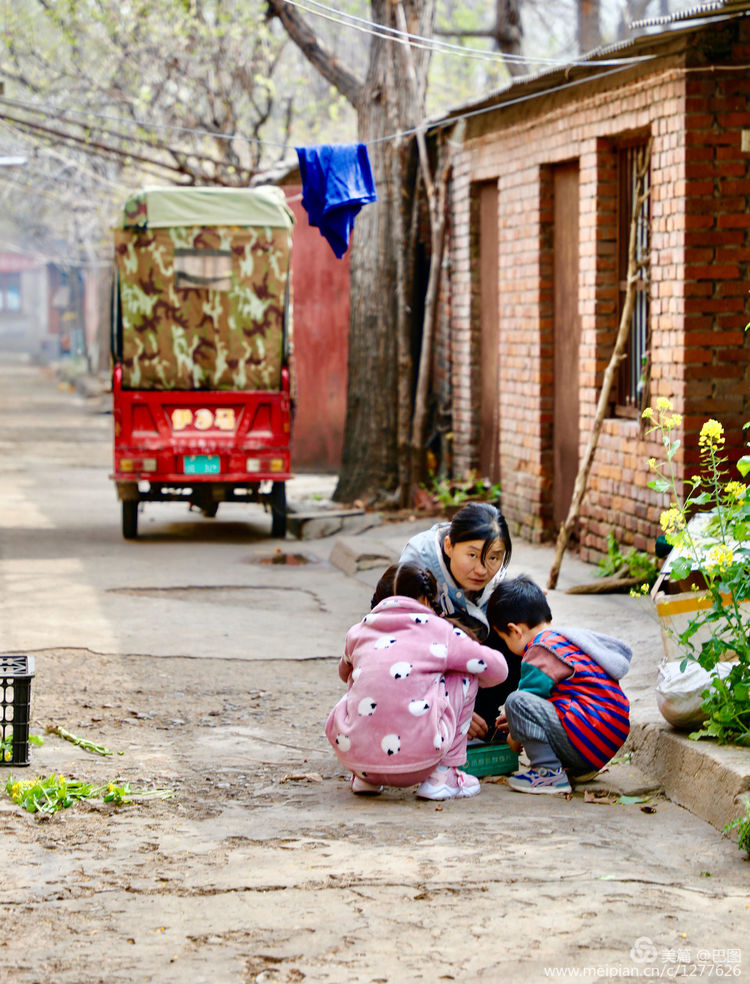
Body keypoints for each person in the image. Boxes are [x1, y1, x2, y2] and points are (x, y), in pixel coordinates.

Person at [325, 562, 508, 801]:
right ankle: (444, 776)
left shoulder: (359, 631)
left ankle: (365, 779)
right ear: (425, 599)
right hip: (421, 761)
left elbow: (343, 672)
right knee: (464, 675)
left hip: (356, 758)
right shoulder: (440, 630)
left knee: (361, 676)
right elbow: (499, 669)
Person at [487, 574, 632, 795]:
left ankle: (548, 773)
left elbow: (524, 703)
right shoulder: (565, 640)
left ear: (515, 630)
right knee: (521, 706)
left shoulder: (538, 649)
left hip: (587, 734)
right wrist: (520, 721)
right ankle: (573, 768)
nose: (508, 647)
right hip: (604, 737)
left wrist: (513, 738)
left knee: (515, 701)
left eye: (505, 640)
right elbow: (549, 698)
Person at [399, 501, 518, 739]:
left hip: (465, 657)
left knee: (521, 624)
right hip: (422, 667)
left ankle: (483, 718)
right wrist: (447, 705)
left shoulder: (497, 575)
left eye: (494, 558)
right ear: (449, 546)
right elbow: (404, 647)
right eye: (472, 555)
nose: (482, 569)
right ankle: (437, 723)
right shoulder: (418, 563)